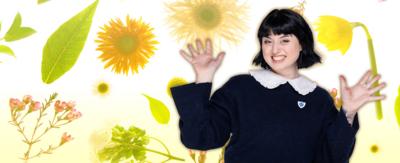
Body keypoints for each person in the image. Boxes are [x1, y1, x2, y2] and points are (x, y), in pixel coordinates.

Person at [170, 8, 386, 163]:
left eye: (284, 40)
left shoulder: (318, 98)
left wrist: (348, 113)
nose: (274, 50)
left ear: (302, 44)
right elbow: (200, 138)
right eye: (267, 40)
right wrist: (204, 78)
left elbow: (331, 157)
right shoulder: (241, 87)